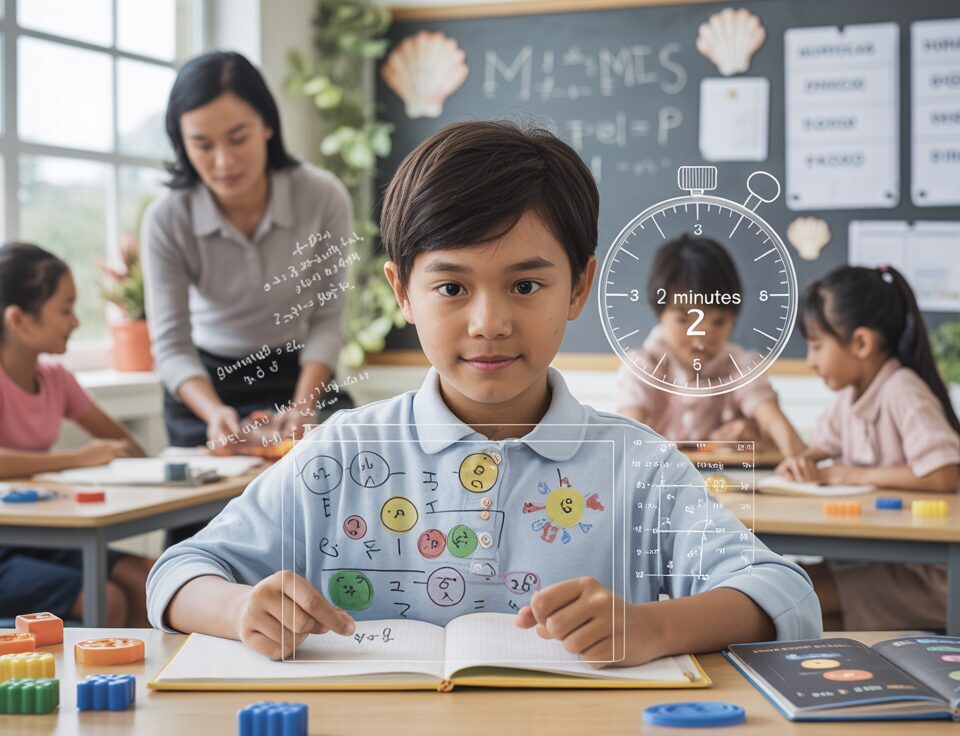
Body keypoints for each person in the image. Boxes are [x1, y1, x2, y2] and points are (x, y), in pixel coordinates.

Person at [146, 121, 821, 663]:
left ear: (580, 287)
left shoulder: (637, 466)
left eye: (526, 285)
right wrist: (238, 610)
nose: (488, 323)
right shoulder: (343, 453)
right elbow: (179, 573)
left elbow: (786, 594)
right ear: (401, 292)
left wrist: (651, 628)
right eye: (451, 287)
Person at [142, 50, 354, 454]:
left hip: (297, 372)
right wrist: (214, 415)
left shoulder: (322, 196)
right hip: (206, 382)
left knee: (344, 465)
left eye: (238, 138)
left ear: (267, 126)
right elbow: (171, 345)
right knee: (203, 507)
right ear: (181, 144)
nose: (224, 161)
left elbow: (328, 317)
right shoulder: (167, 217)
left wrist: (303, 406)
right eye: (202, 145)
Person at [777, 265, 960, 631]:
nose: (810, 361)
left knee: (791, 597)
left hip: (925, 576)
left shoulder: (902, 389)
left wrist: (849, 473)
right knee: (792, 600)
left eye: (816, 346)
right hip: (878, 560)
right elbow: (821, 446)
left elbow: (945, 473)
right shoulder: (849, 397)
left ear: (861, 343)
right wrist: (803, 461)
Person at [0, 242, 153, 624]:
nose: (75, 322)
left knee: (148, 578)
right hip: (6, 546)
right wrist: (80, 458)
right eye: (65, 310)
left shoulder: (54, 378)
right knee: (108, 598)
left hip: (45, 536)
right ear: (17, 320)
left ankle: (152, 683)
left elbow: (126, 446)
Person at [617, 235, 805, 457]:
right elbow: (626, 443)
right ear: (661, 312)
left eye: (718, 322)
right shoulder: (644, 366)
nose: (701, 336)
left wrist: (757, 442)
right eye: (685, 319)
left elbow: (780, 430)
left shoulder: (740, 367)